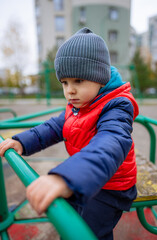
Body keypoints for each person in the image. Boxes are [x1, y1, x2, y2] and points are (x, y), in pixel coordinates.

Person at [0, 27, 139, 240]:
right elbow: (54, 127)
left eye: (78, 81)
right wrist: (22, 142)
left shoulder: (117, 107)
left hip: (112, 185)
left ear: (100, 78)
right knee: (71, 213)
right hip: (85, 175)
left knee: (88, 232)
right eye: (64, 82)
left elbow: (110, 144)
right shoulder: (78, 104)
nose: (69, 91)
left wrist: (67, 178)